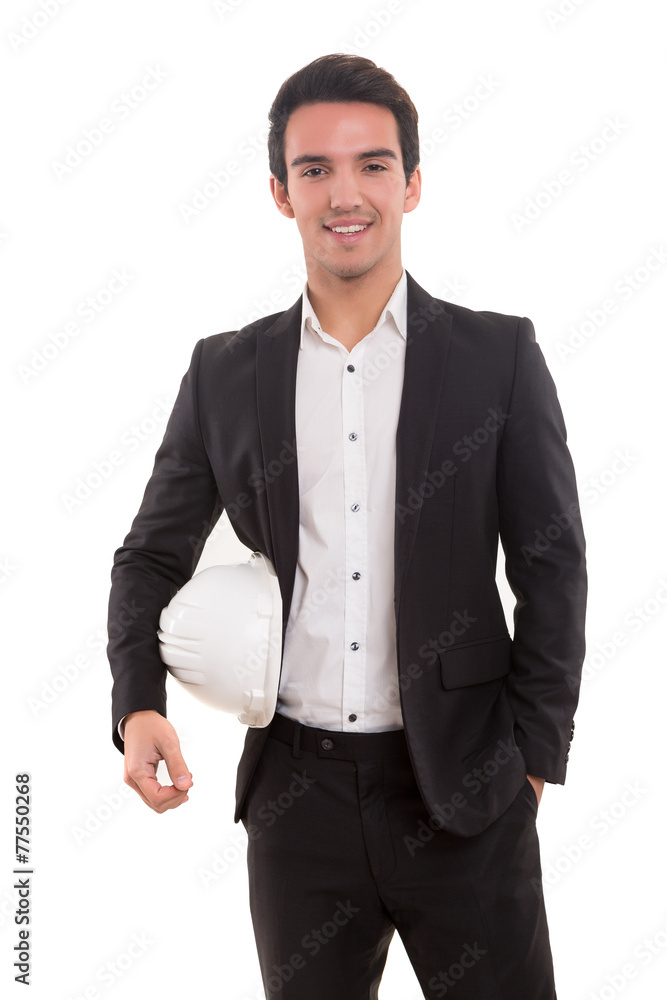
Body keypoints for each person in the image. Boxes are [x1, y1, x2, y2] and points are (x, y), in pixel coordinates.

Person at [108, 53, 587, 999]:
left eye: (372, 164)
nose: (345, 194)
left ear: (411, 183)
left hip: (466, 789)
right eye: (314, 169)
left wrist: (531, 762)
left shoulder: (496, 355)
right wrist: (137, 704)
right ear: (281, 193)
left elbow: (552, 565)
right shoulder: (225, 372)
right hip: (297, 800)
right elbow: (150, 556)